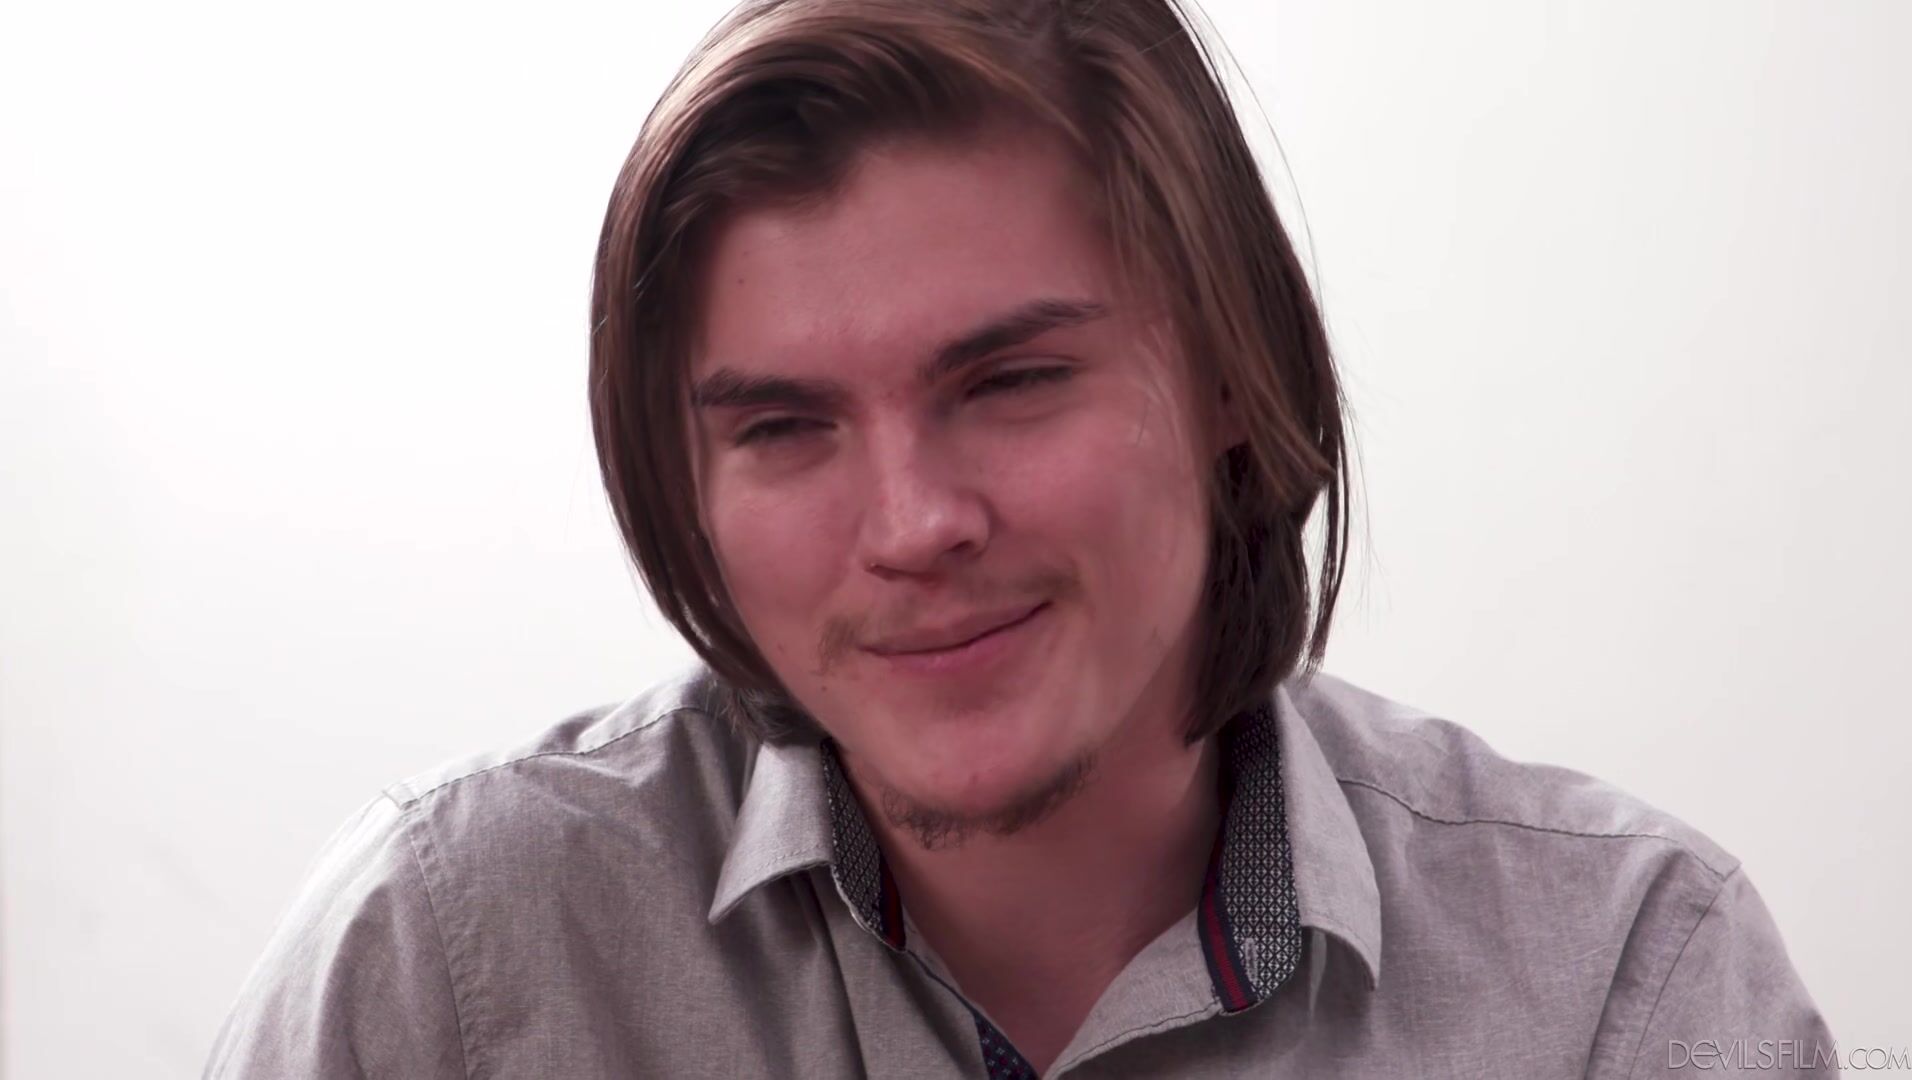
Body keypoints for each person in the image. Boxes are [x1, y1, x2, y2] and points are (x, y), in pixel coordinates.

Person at [203, 1, 1835, 1076]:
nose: (915, 525)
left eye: (1011, 382)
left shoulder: (1626, 985)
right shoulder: (447, 957)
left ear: (1231, 376)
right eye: (784, 428)